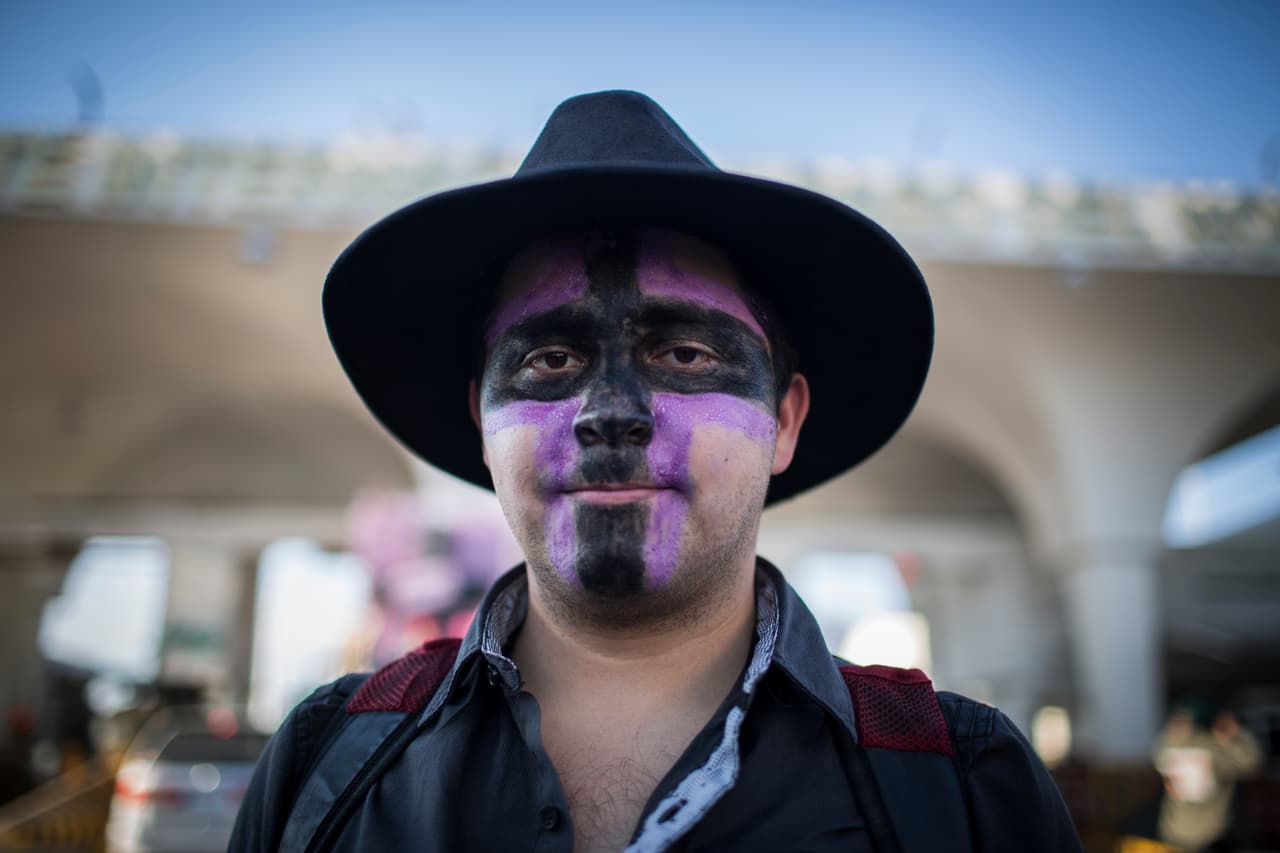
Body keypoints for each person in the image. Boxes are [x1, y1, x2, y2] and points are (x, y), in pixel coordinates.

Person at [232, 90, 1081, 852]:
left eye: (684, 350)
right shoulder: (326, 758)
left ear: (783, 420)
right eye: (552, 359)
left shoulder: (965, 783)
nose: (612, 409)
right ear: (482, 426)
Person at [1153, 707, 1262, 851]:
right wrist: (1236, 736)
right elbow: (1251, 763)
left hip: (1195, 833)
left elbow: (1250, 764)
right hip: (1192, 832)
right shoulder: (1215, 747)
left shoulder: (1172, 745)